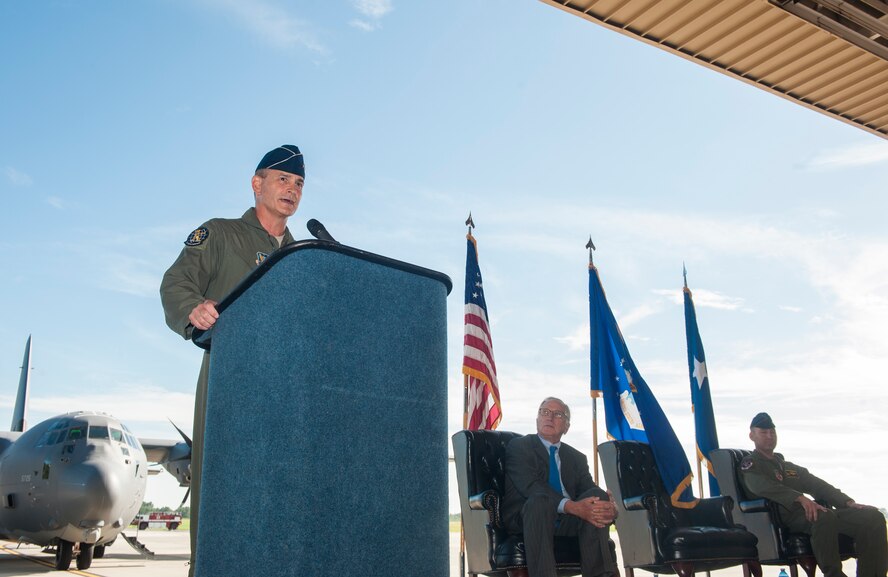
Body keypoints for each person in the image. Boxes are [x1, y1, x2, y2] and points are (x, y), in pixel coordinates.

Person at [159, 144, 305, 576]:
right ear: (257, 183)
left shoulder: (305, 257)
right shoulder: (220, 234)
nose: (292, 190)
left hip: (290, 393)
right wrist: (193, 308)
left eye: (299, 184)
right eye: (283, 179)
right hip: (232, 382)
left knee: (284, 498)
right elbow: (175, 282)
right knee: (223, 490)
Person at [739, 412, 887, 577]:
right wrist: (799, 497)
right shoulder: (751, 464)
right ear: (752, 436)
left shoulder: (788, 467)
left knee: (872, 518)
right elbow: (759, 485)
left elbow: (818, 485)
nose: (769, 436)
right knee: (822, 516)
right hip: (783, 517)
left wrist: (847, 502)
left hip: (809, 513)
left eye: (772, 432)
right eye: (763, 432)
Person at [503, 397, 618, 577]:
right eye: (545, 412)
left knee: (597, 496)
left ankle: (600, 574)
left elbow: (589, 492)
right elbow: (531, 486)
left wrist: (610, 509)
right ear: (537, 419)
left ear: (566, 426)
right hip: (529, 517)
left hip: (567, 520)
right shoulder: (519, 446)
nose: (549, 417)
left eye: (557, 414)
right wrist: (573, 506)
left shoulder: (576, 458)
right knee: (540, 500)